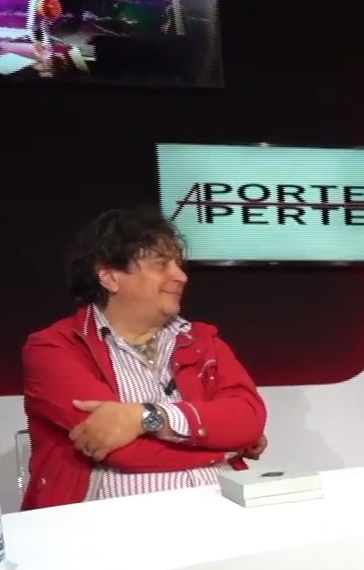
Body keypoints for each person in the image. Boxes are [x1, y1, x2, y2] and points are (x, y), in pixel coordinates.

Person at [21, 206, 268, 510]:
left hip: (224, 510)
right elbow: (122, 451)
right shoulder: (54, 348)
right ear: (110, 276)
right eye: (161, 264)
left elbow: (249, 418)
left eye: (178, 264)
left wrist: (146, 417)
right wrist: (230, 446)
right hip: (111, 524)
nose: (181, 277)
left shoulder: (203, 341)